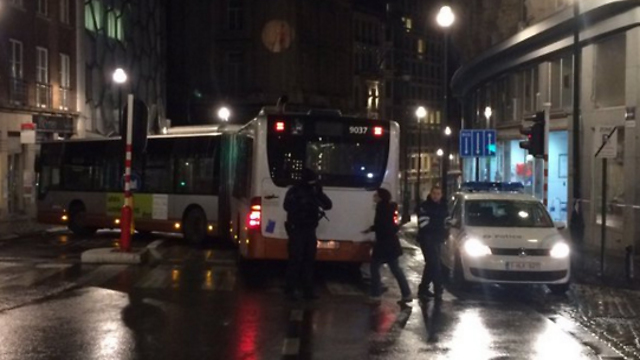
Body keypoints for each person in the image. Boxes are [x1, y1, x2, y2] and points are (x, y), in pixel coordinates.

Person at [283, 168, 333, 300]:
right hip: (297, 229)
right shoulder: (295, 191)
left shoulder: (314, 191)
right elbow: (287, 206)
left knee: (308, 261)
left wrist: (318, 193)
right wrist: (303, 202)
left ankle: (307, 290)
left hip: (309, 229)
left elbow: (328, 205)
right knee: (295, 260)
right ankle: (290, 290)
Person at [363, 188, 412, 305]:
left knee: (374, 268)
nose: (374, 197)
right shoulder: (389, 207)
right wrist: (372, 228)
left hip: (383, 244)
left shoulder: (381, 208)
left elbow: (383, 225)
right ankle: (406, 294)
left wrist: (374, 230)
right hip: (391, 244)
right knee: (396, 269)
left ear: (380, 197)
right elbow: (389, 225)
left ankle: (376, 295)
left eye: (376, 195)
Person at [417, 185, 449, 300]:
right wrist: (440, 227)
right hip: (427, 239)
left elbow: (446, 221)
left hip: (437, 238)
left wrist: (445, 229)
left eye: (438, 193)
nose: (436, 196)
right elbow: (424, 225)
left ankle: (424, 288)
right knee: (434, 263)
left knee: (431, 264)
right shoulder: (424, 207)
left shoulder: (443, 207)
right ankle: (437, 288)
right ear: (430, 194)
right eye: (434, 193)